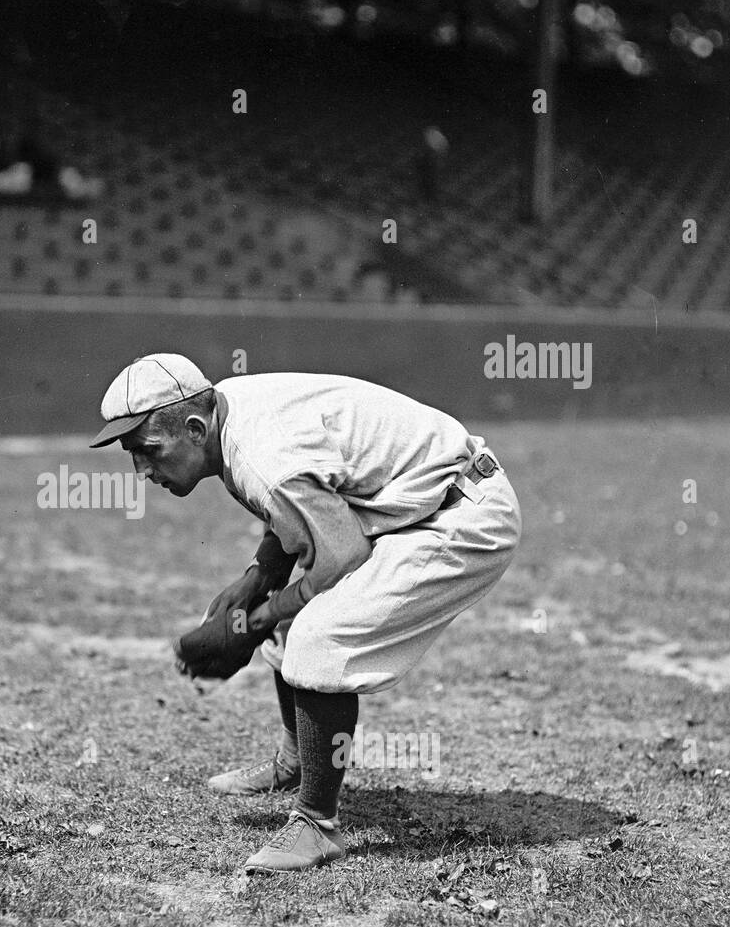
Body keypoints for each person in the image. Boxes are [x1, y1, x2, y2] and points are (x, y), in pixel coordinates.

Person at [90, 353, 522, 874]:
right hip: (413, 501)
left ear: (195, 427)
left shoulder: (260, 455)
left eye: (148, 450)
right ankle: (297, 760)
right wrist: (257, 580)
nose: (140, 470)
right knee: (294, 621)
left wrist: (252, 624)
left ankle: (317, 824)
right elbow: (308, 502)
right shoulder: (226, 405)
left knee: (319, 633)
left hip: (461, 515)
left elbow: (340, 556)